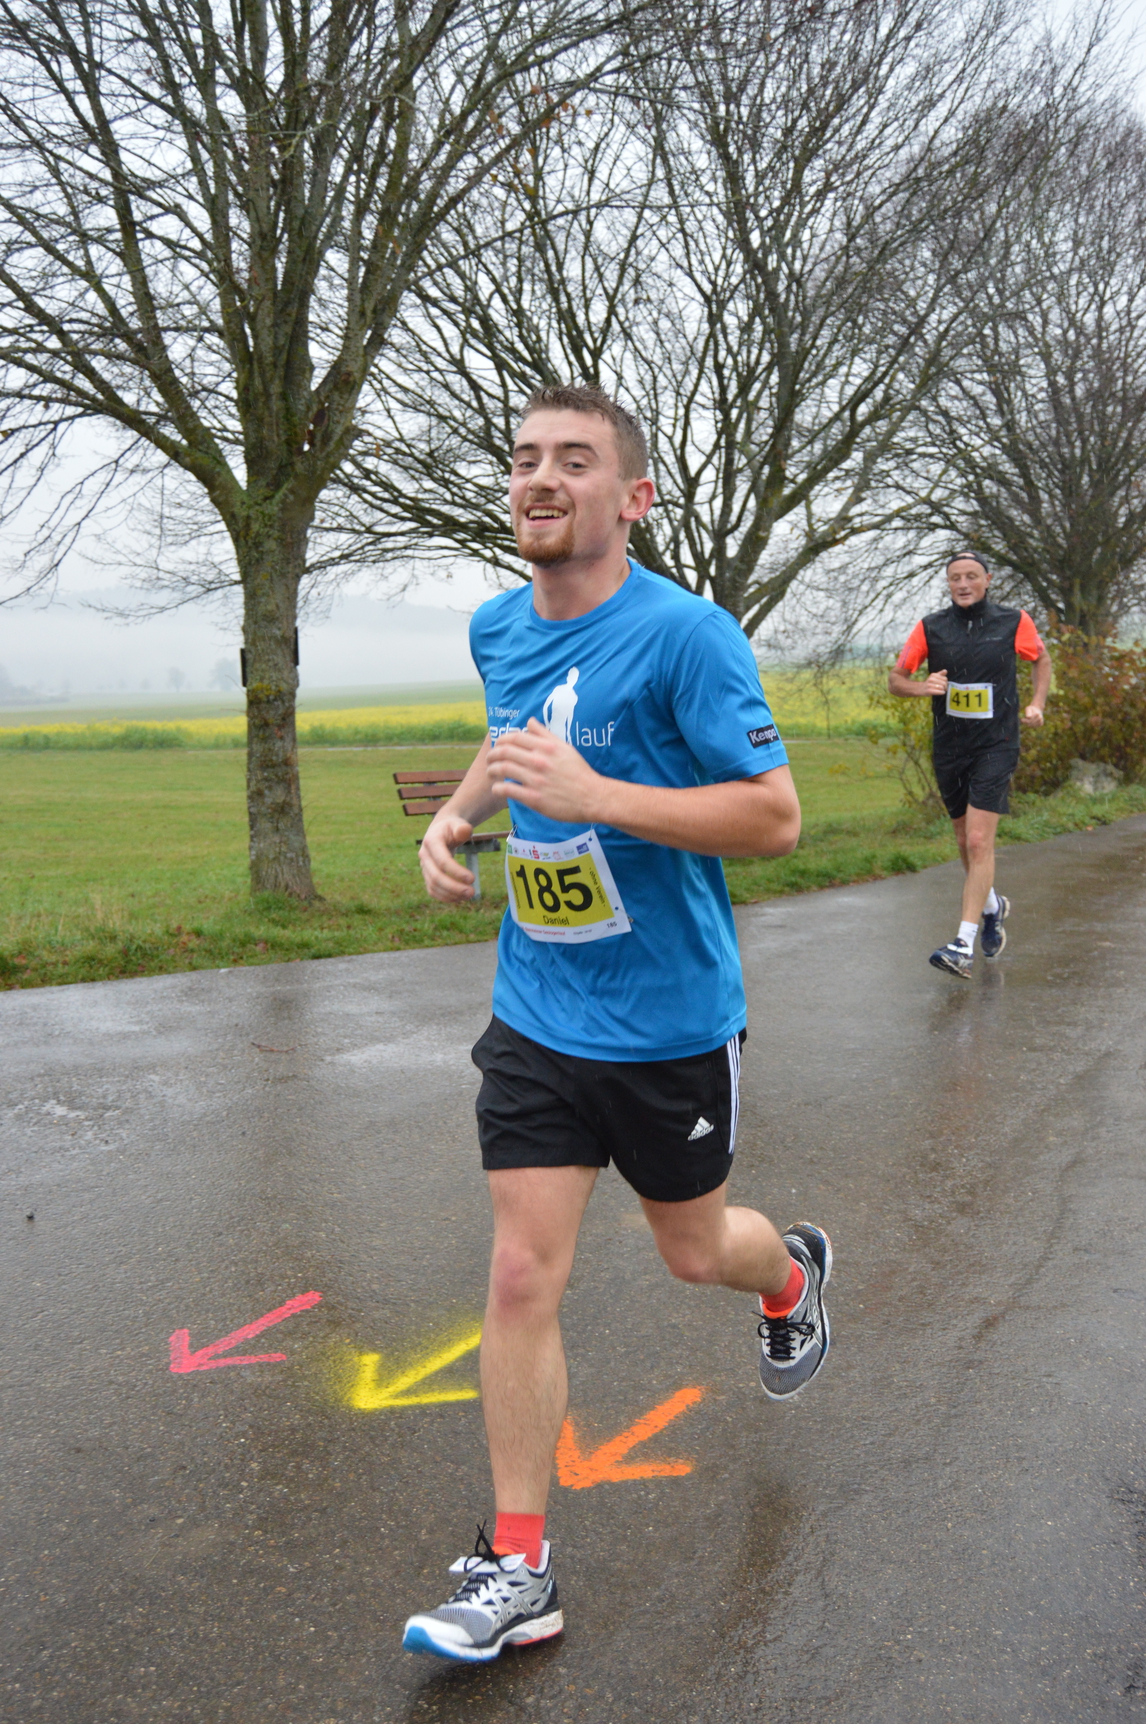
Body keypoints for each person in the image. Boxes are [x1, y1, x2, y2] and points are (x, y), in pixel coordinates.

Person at [403, 383, 833, 1664]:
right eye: (525, 457)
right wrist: (458, 815)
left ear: (634, 497)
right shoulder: (497, 625)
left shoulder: (689, 636)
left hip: (669, 1024)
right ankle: (518, 1566)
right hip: (537, 1006)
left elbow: (774, 816)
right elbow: (510, 739)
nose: (541, 478)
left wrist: (602, 794)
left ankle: (790, 1275)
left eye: (575, 461)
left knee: (695, 1252)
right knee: (519, 1272)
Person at [889, 552, 1052, 978]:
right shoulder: (930, 627)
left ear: (988, 579)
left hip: (997, 744)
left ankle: (962, 944)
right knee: (964, 840)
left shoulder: (1013, 621)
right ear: (949, 584)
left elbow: (1041, 659)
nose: (963, 584)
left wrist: (1037, 703)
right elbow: (896, 680)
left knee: (979, 841)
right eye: (955, 578)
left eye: (971, 576)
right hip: (950, 746)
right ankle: (993, 906)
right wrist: (922, 686)